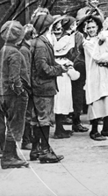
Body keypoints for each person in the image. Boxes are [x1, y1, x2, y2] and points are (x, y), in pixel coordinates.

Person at [30, 13, 67, 163]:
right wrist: (60, 69)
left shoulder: (37, 42)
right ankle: (44, 151)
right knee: (44, 119)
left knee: (36, 119)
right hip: (43, 87)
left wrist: (59, 66)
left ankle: (35, 150)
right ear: (47, 27)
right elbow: (43, 69)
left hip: (38, 87)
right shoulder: (41, 44)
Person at [81, 14, 108, 141]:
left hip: (107, 72)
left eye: (93, 27)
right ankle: (94, 130)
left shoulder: (103, 38)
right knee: (97, 100)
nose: (91, 30)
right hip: (95, 74)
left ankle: (106, 128)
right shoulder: (87, 43)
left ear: (98, 27)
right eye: (88, 28)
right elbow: (98, 57)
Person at [0, 21, 29, 169]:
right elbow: (14, 78)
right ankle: (8, 157)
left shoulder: (4, 49)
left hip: (3, 93)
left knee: (10, 123)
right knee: (15, 124)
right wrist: (21, 91)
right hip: (13, 95)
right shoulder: (15, 52)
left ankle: (12, 154)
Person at [53, 22, 80, 139]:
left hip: (60, 86)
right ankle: (58, 131)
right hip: (62, 88)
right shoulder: (65, 63)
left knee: (60, 107)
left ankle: (60, 128)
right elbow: (75, 76)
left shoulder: (56, 61)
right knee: (60, 106)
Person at [19, 24, 36, 150]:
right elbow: (26, 71)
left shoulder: (27, 48)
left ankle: (28, 138)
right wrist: (30, 86)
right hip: (26, 87)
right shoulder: (25, 50)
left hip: (28, 86)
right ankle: (26, 140)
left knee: (29, 114)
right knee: (27, 114)